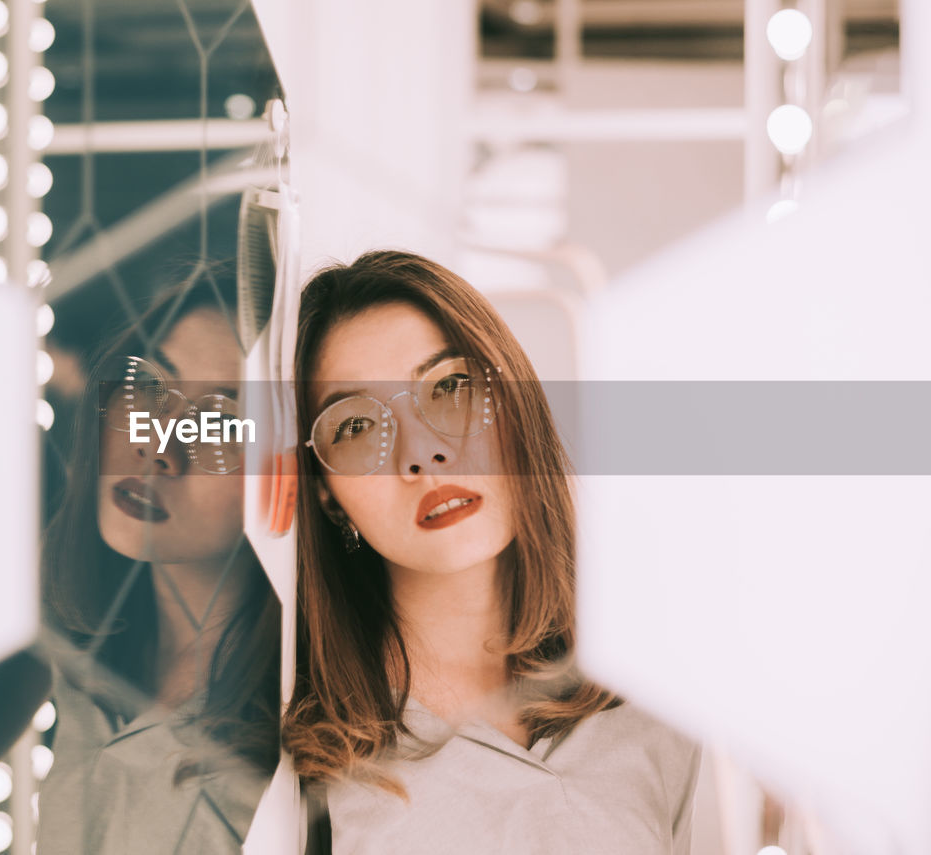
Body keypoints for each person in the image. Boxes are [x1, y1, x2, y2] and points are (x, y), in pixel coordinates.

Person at [283, 250, 700, 853]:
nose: (422, 454)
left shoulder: (652, 703)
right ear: (326, 494)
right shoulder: (309, 760)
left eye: (449, 387)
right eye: (356, 427)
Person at [37, 279, 281, 854]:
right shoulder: (82, 663)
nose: (159, 447)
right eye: (149, 386)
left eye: (222, 426)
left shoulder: (292, 752)